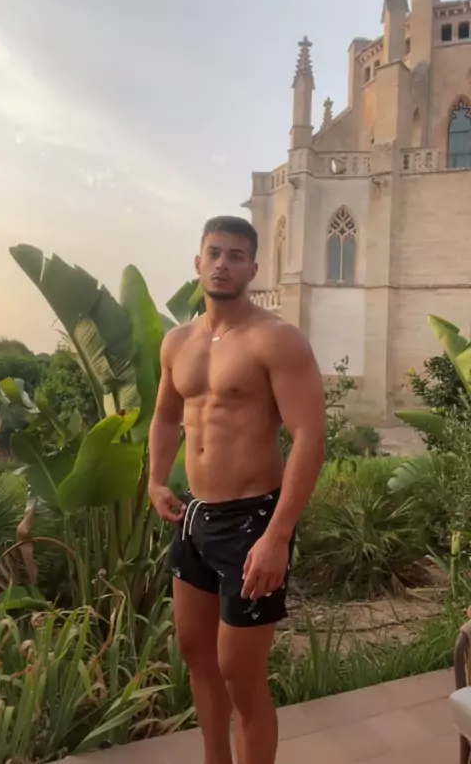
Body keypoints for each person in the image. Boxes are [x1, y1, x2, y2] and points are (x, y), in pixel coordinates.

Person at [148, 215, 325, 764]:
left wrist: (278, 536)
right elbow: (166, 417)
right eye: (214, 253)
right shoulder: (177, 342)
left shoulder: (276, 339)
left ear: (253, 267)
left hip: (253, 522)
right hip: (195, 517)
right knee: (197, 655)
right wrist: (156, 479)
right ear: (198, 262)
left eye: (235, 255)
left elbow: (309, 438)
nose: (222, 264)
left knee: (240, 676)